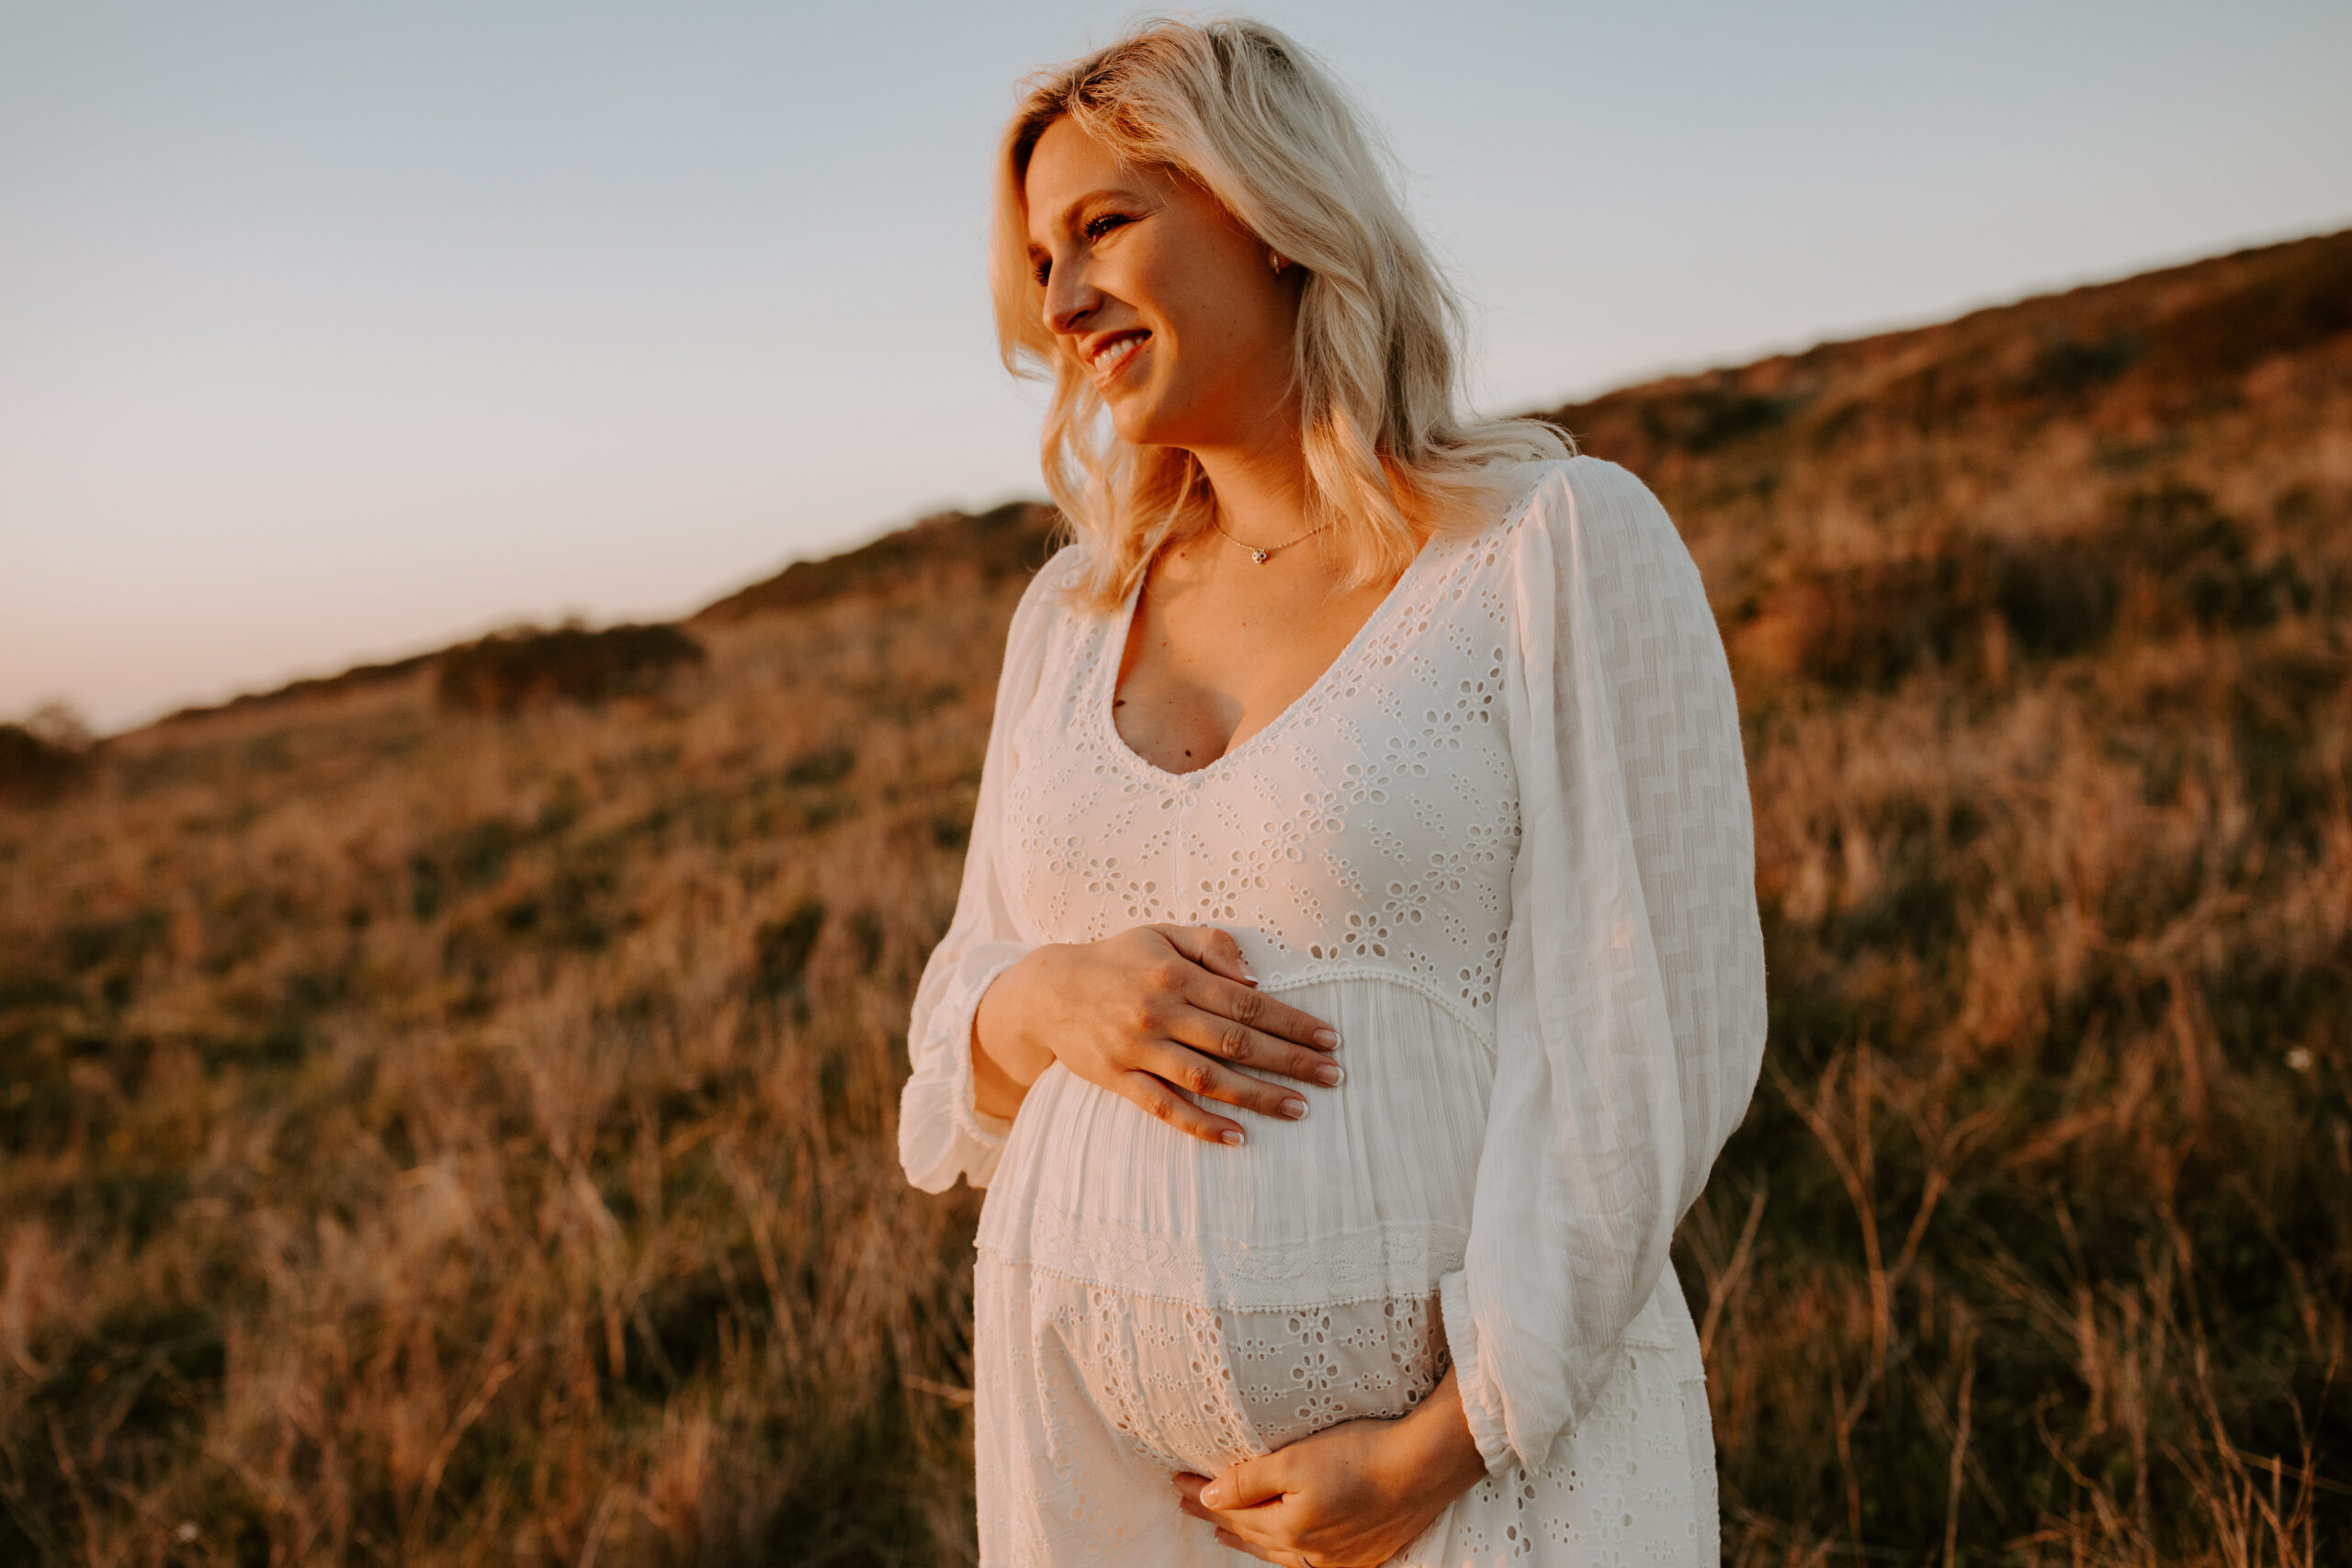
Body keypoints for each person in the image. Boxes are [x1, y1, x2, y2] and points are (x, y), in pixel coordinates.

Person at [898, 17, 1765, 1566]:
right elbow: (963, 994)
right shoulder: (1070, 616)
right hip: (1120, 1502)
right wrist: (1053, 1003)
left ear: (1273, 216)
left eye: (1107, 224)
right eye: (1042, 256)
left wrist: (1445, 1446)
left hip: (1489, 1484)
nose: (1064, 296)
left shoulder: (1549, 549)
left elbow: (1655, 1041)